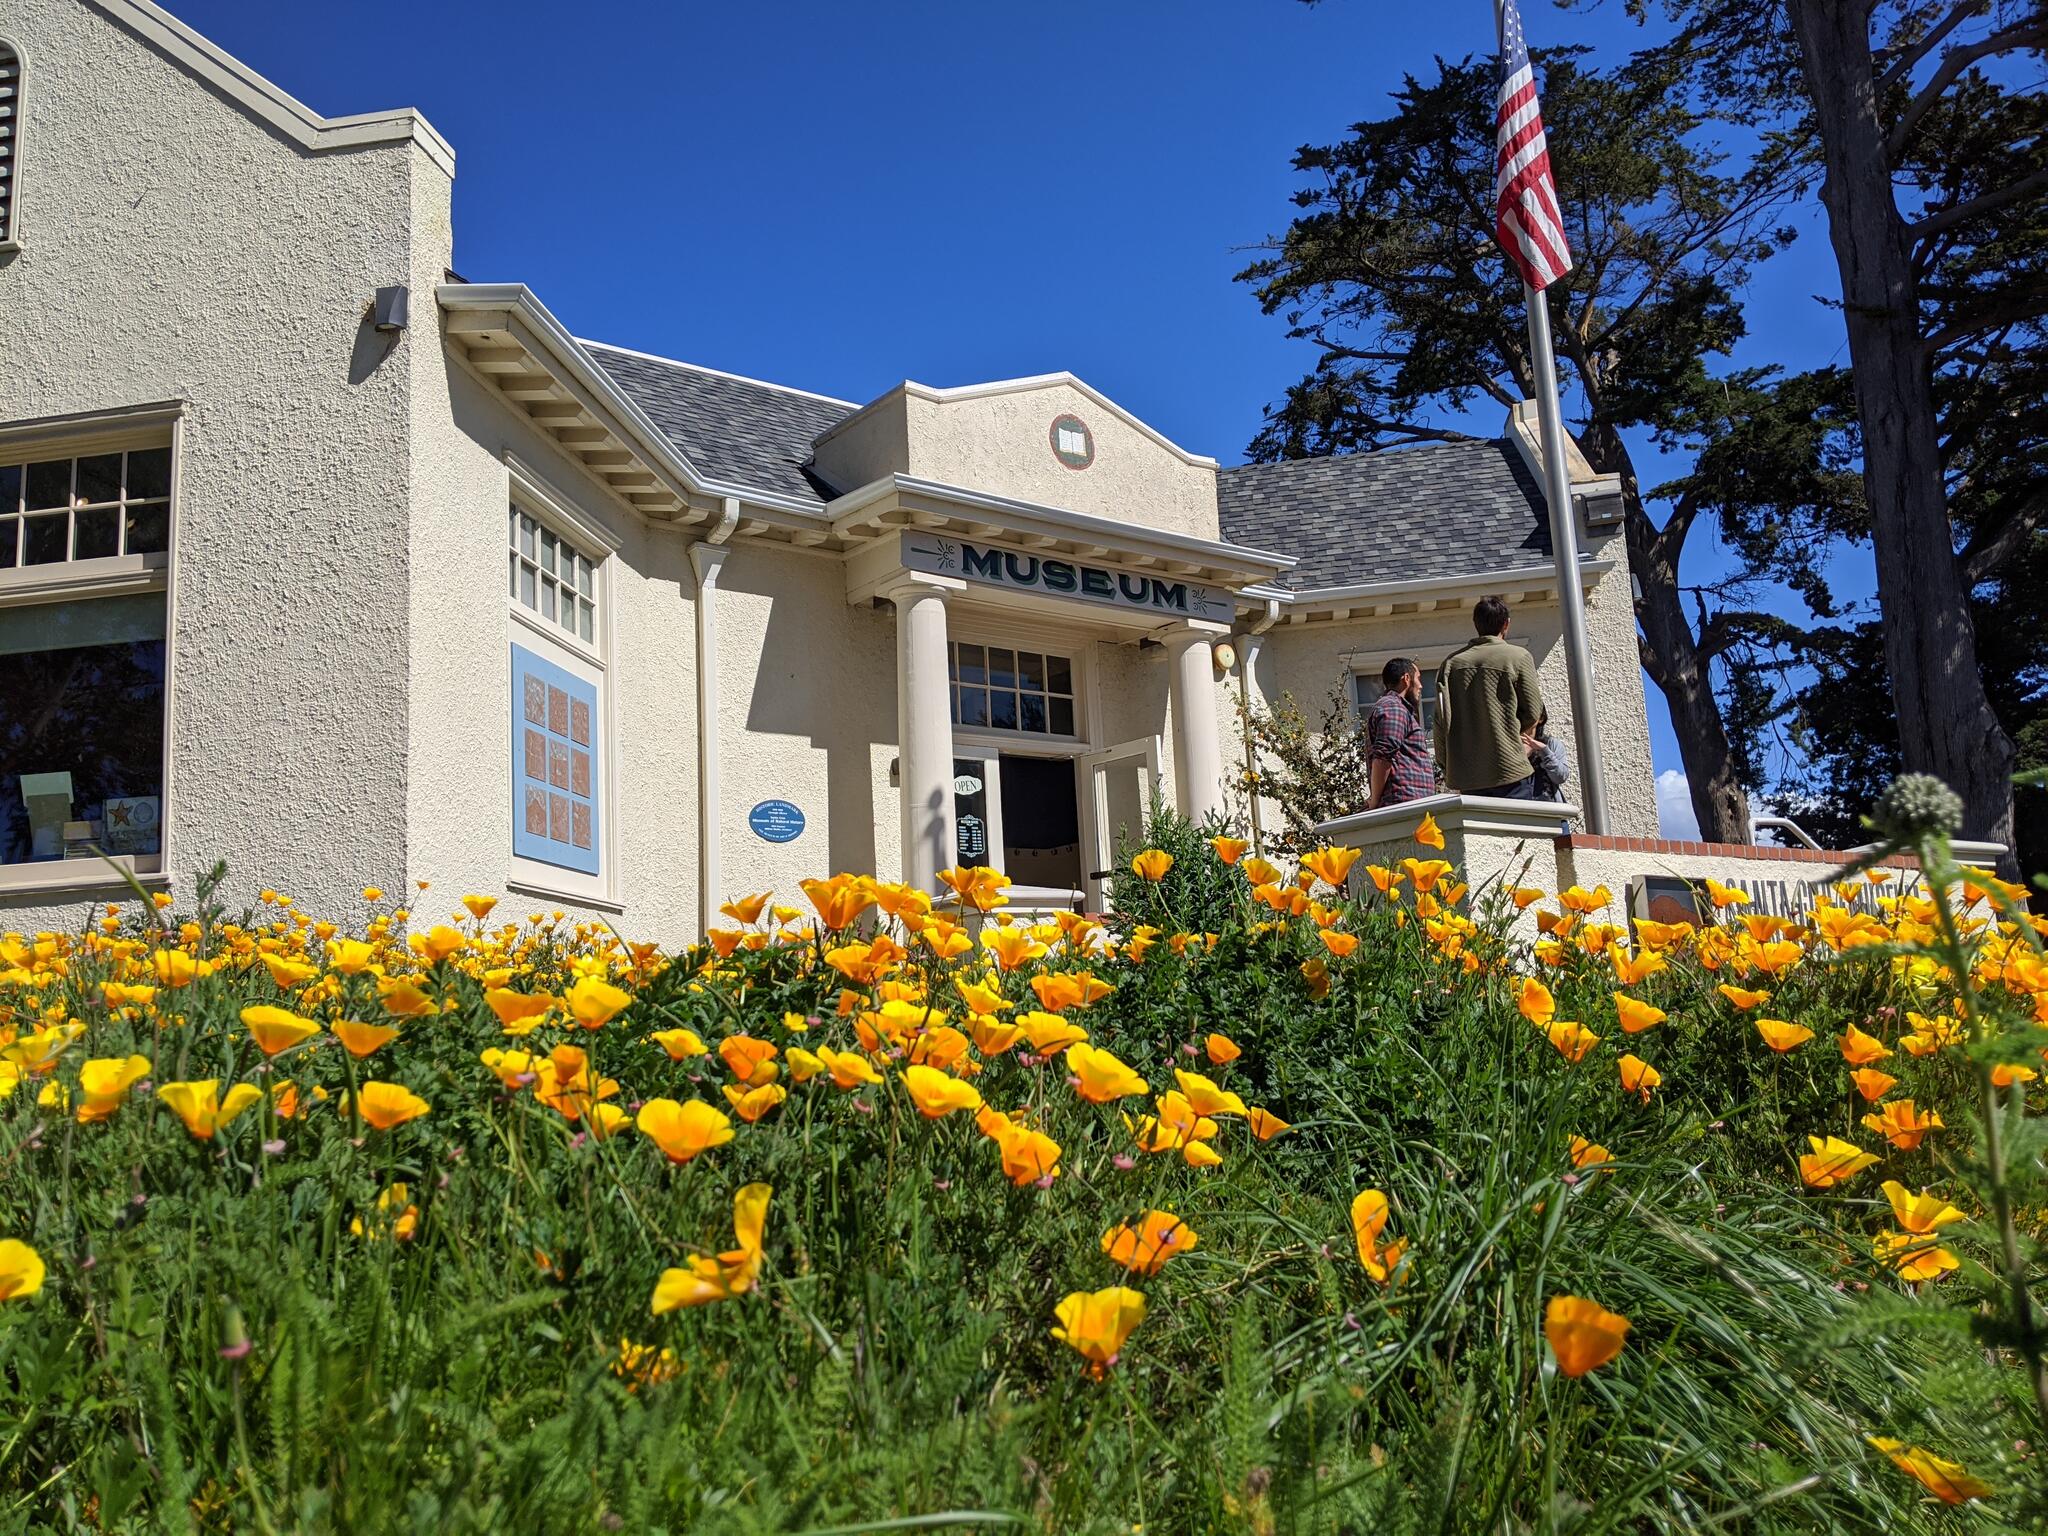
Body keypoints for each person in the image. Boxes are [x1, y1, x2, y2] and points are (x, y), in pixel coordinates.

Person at [1433, 595, 1546, 799]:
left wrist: (1447, 765)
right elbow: (1533, 711)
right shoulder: (1518, 657)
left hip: (1469, 774)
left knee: (1479, 830)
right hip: (1510, 768)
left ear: (1475, 624)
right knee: (1518, 829)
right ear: (1506, 624)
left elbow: (1441, 721)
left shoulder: (1451, 664)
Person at [1365, 657, 1436, 808]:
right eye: (1418, 679)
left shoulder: (1395, 708)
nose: (1421, 686)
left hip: (1409, 803)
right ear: (1406, 679)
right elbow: (1383, 757)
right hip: (1404, 804)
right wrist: (1375, 802)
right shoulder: (1394, 708)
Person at [1525, 709, 1570, 802]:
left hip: (1549, 808)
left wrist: (1544, 751)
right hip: (1515, 807)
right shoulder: (1508, 745)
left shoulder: (1551, 744)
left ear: (1541, 718)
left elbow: (1560, 777)